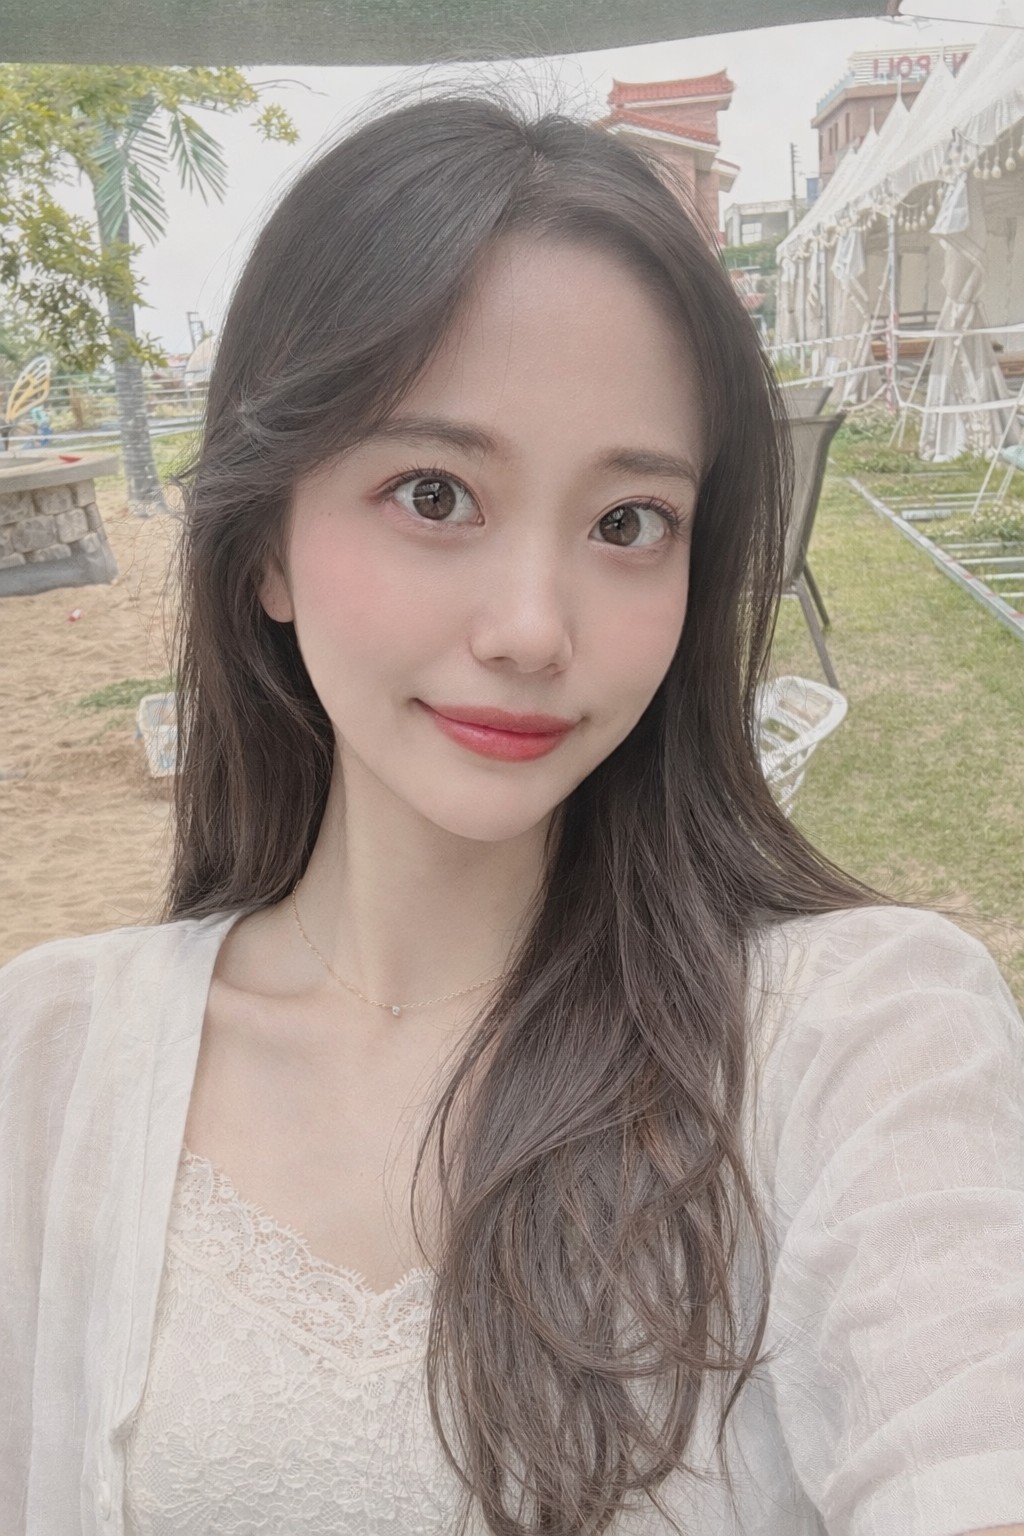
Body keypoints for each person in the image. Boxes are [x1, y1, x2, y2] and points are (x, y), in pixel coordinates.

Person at [2, 89, 1022, 1536]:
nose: (534, 629)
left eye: (628, 523)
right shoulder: (50, 1063)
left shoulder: (857, 1039)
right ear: (267, 544)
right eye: (435, 493)